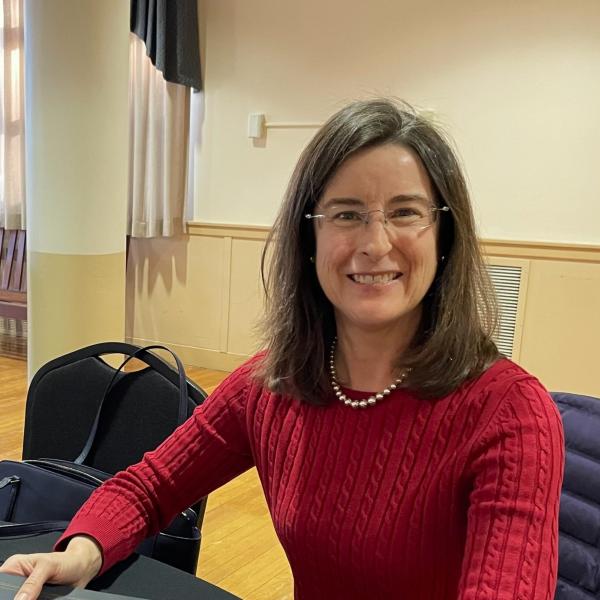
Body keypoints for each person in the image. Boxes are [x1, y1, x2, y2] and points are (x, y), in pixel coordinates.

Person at [1, 99, 564, 600]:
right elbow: (151, 486)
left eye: (405, 212)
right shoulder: (271, 383)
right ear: (309, 237)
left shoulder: (512, 415)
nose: (374, 243)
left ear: (444, 237)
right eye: (346, 214)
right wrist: (81, 550)